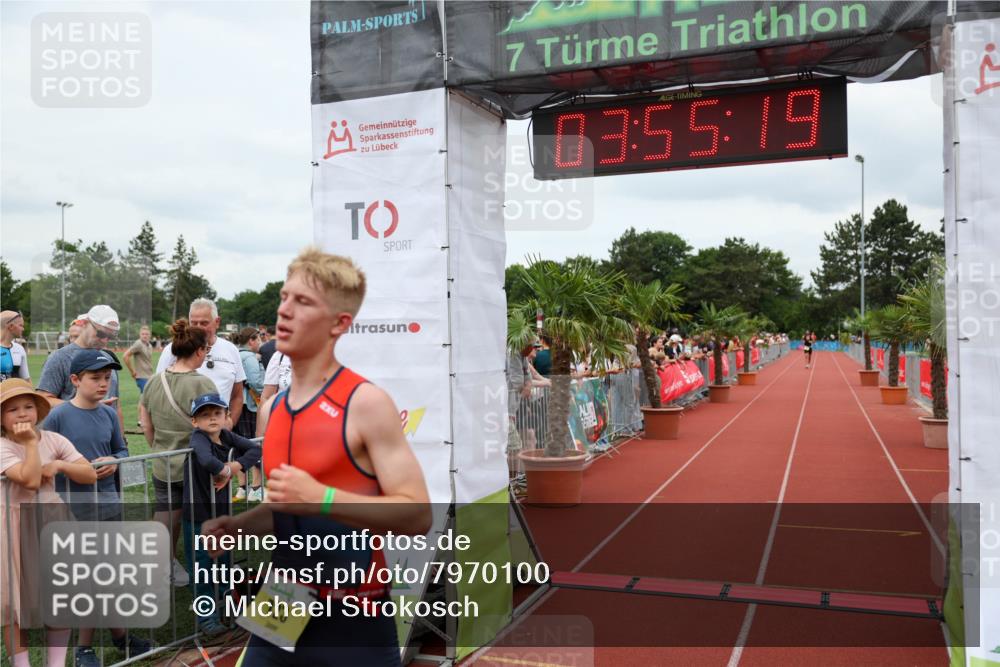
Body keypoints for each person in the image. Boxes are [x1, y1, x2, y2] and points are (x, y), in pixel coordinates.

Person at [203, 247, 431, 666]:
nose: (285, 311)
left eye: (303, 302)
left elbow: (417, 516)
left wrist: (323, 497)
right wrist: (238, 525)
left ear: (338, 324)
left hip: (354, 611)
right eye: (284, 297)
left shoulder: (365, 403)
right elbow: (287, 507)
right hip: (284, 600)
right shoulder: (274, 409)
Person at [41, 349, 152, 665]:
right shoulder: (58, 416)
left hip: (108, 504)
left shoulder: (107, 414)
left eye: (107, 377)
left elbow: (121, 449)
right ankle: (84, 649)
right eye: (95, 378)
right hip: (74, 508)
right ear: (75, 380)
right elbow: (44, 458)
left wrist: (114, 462)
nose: (104, 384)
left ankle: (120, 637)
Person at [1, 378, 97, 667]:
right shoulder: (3, 446)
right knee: (14, 605)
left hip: (52, 522)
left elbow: (89, 473)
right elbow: (29, 480)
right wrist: (31, 444)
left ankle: (56, 663)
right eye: (12, 409)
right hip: (13, 526)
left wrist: (59, 465)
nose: (22, 414)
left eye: (28, 406)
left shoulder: (54, 440)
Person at [140, 319, 217, 587]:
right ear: (198, 351)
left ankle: (161, 565)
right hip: (196, 465)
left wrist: (160, 448)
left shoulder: (153, 381)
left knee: (165, 516)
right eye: (205, 349)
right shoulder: (203, 384)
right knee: (199, 522)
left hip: (162, 461)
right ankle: (204, 575)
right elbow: (216, 427)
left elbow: (146, 424)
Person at [183, 392, 262, 636]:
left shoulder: (226, 435)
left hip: (221, 513)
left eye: (217, 413)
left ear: (227, 416)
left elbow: (254, 449)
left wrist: (234, 467)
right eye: (205, 415)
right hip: (199, 514)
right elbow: (206, 460)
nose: (212, 419)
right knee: (203, 566)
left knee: (225, 562)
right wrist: (223, 471)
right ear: (195, 421)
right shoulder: (199, 438)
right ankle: (206, 616)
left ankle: (228, 605)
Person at [156, 299, 246, 431]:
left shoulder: (231, 350)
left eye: (204, 323)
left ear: (217, 322)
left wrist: (230, 423)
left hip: (218, 434)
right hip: (182, 434)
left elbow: (237, 396)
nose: (198, 327)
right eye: (194, 323)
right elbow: (159, 393)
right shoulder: (172, 350)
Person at [36, 305, 124, 430]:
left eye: (109, 337)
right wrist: (84, 406)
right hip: (72, 438)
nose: (104, 341)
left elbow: (116, 403)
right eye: (100, 333)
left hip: (105, 439)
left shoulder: (108, 359)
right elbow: (43, 400)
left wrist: (122, 440)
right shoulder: (60, 357)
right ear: (85, 324)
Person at [235, 327, 265, 501]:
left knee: (239, 446)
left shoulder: (235, 355)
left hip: (237, 406)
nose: (260, 343)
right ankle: (256, 487)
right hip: (251, 407)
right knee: (254, 445)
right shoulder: (250, 358)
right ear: (252, 340)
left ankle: (242, 488)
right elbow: (257, 382)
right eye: (258, 339)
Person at [124, 325, 155, 427]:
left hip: (149, 376)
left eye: (146, 334)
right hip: (141, 376)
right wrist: (132, 371)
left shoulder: (149, 345)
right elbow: (125, 356)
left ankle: (145, 418)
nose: (145, 336)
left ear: (149, 335)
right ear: (140, 335)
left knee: (147, 397)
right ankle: (140, 420)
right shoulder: (138, 344)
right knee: (143, 397)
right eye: (143, 334)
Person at [1, 311, 30, 382]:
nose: (23, 329)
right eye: (21, 325)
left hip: (14, 392)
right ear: (11, 326)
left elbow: (26, 380)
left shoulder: (19, 349)